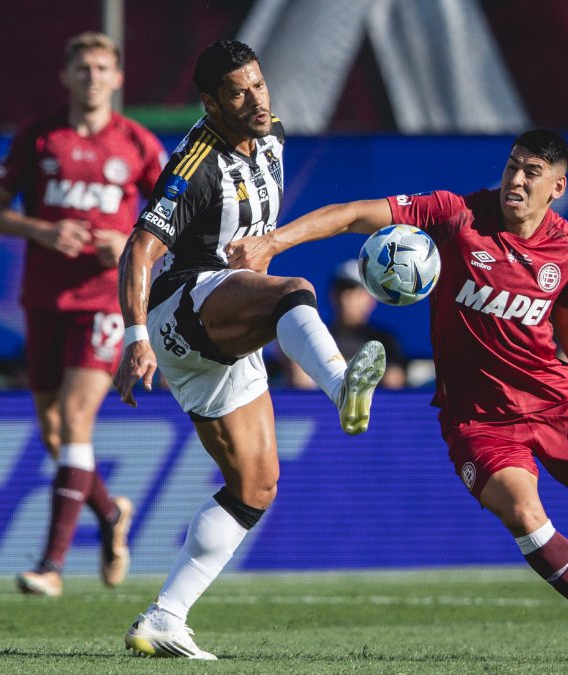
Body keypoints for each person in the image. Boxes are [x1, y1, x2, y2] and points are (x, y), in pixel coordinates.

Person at [229, 128, 568, 662]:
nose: (515, 180)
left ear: (557, 187)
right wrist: (275, 241)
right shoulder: (456, 215)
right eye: (512, 166)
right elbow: (358, 213)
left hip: (560, 406)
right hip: (479, 421)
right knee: (523, 514)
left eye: (531, 173)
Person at [112, 40, 385, 660]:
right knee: (294, 290)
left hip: (225, 328)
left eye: (259, 84)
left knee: (254, 486)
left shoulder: (273, 137)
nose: (256, 99)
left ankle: (164, 618)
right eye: (238, 91)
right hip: (183, 307)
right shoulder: (195, 164)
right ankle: (342, 385)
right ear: (210, 103)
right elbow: (139, 251)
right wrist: (133, 340)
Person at [0, 32, 168, 597]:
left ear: (117, 78)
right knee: (54, 431)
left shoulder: (138, 144)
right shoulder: (38, 138)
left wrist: (131, 240)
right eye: (82, 67)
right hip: (44, 298)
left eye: (102, 67)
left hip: (104, 301)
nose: (92, 76)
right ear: (65, 76)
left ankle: (52, 565)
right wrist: (43, 229)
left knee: (76, 418)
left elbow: (174, 222)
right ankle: (111, 515)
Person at [276, 259, 408, 389]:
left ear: (370, 299)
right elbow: (301, 385)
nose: (346, 298)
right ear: (332, 295)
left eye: (355, 292)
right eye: (341, 290)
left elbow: (394, 383)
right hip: (319, 409)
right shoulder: (315, 337)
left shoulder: (385, 341)